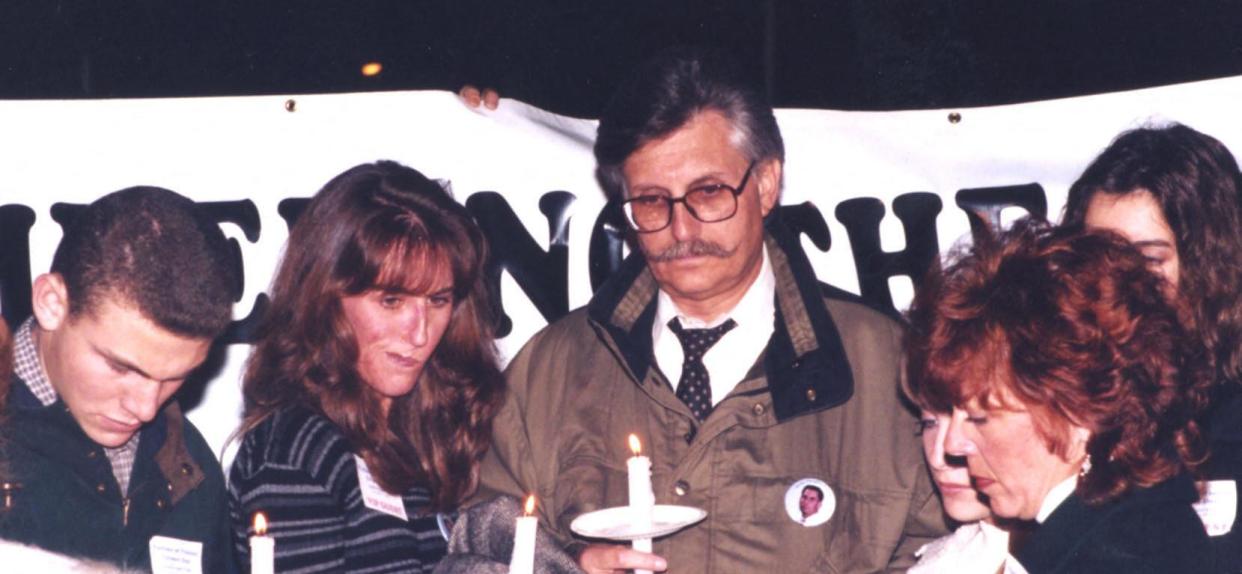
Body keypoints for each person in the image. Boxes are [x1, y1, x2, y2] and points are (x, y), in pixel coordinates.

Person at [478, 46, 946, 573]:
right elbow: (481, 540)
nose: (682, 229)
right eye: (652, 201)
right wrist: (565, 564)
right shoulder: (550, 370)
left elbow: (952, 554)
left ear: (766, 185)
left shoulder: (890, 371)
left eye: (708, 192)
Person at [228, 161, 504, 572]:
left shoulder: (423, 426)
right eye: (391, 301)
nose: (419, 333)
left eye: (437, 301)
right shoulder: (294, 451)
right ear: (326, 299)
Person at [906, 219, 1212, 573]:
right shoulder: (1109, 531)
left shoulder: (1125, 556)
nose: (953, 445)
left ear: (1080, 415)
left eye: (978, 417)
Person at [0, 187, 238, 571]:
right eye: (121, 367)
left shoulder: (185, 456)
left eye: (176, 378)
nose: (145, 408)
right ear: (51, 304)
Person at [1060, 123, 1242, 572]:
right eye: (1099, 256)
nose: (1118, 281)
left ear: (1210, 263)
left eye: (1148, 260)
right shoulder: (1073, 402)